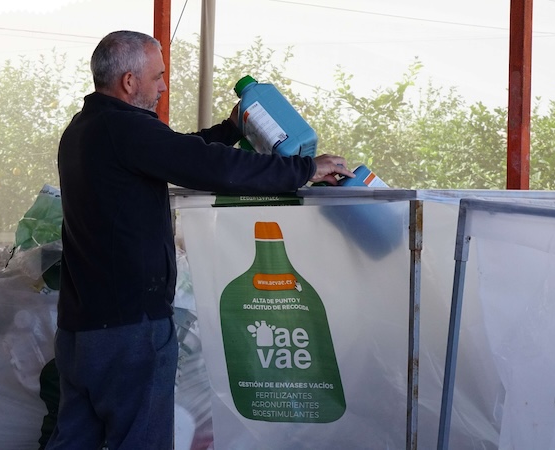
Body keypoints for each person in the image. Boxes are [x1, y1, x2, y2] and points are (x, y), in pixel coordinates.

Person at [47, 30, 355, 450]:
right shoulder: (125, 128)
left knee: (74, 440)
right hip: (129, 328)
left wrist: (230, 129)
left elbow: (177, 151)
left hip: (81, 328)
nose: (163, 86)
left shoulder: (85, 129)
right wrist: (304, 170)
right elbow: (212, 167)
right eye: (157, 76)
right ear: (129, 82)